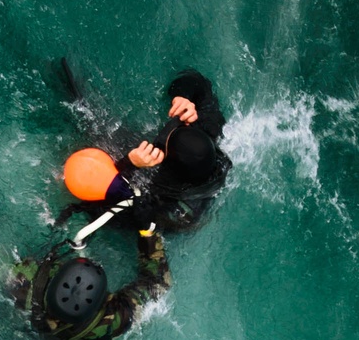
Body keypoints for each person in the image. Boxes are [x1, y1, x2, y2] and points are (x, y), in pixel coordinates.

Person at [58, 68, 231, 236]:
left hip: (144, 218)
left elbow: (99, 207)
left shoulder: (159, 202)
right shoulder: (208, 133)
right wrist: (183, 98)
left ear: (166, 161)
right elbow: (195, 79)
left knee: (93, 131)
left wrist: (129, 164)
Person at [7, 230, 170, 340]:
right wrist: (148, 233)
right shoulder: (106, 323)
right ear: (104, 301)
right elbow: (159, 282)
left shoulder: (25, 282)